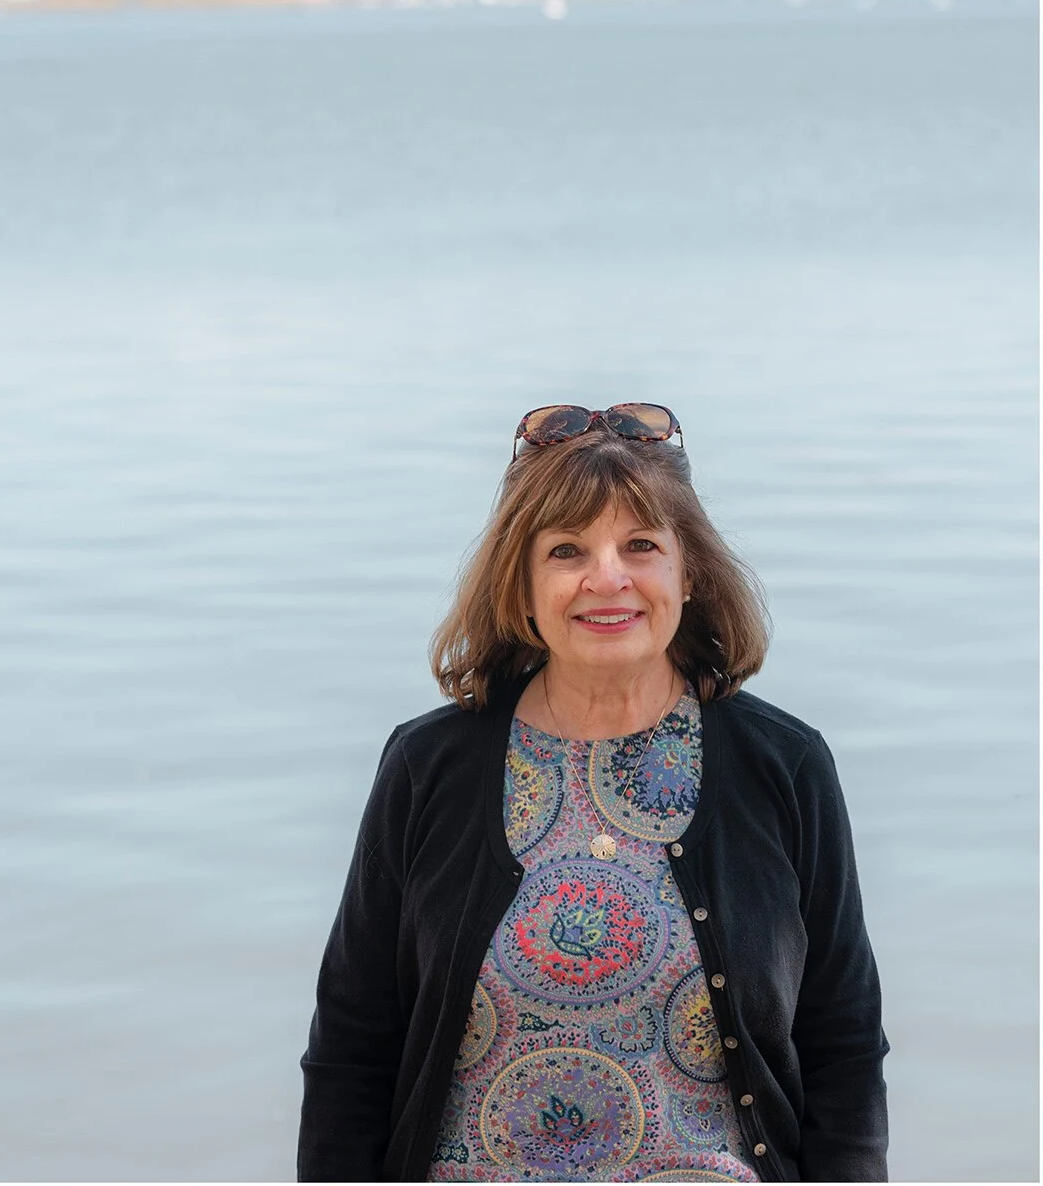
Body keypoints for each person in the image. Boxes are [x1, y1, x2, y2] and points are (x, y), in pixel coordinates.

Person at [298, 404, 886, 1183]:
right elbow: (352, 1045)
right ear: (524, 582)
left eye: (641, 545)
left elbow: (843, 1043)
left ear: (690, 569)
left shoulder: (786, 764)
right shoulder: (426, 764)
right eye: (567, 550)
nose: (606, 579)